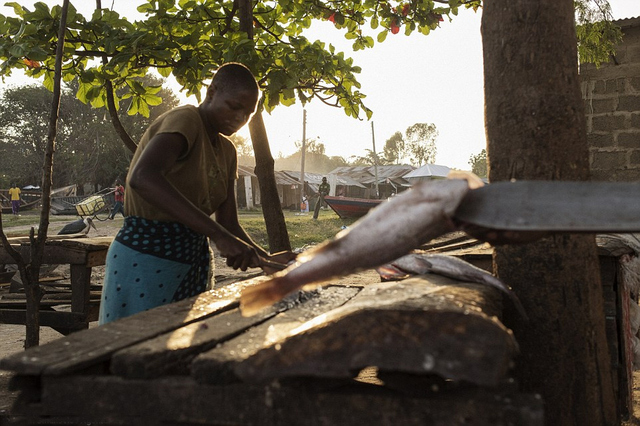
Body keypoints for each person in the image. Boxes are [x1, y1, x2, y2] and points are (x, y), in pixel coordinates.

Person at [98, 63, 296, 325]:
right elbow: (143, 177)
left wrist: (266, 260)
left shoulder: (227, 151)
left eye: (248, 114)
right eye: (234, 106)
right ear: (212, 92)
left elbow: (228, 223)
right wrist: (218, 236)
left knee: (178, 353)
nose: (239, 119)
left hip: (192, 262)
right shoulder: (187, 119)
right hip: (144, 258)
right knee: (129, 350)